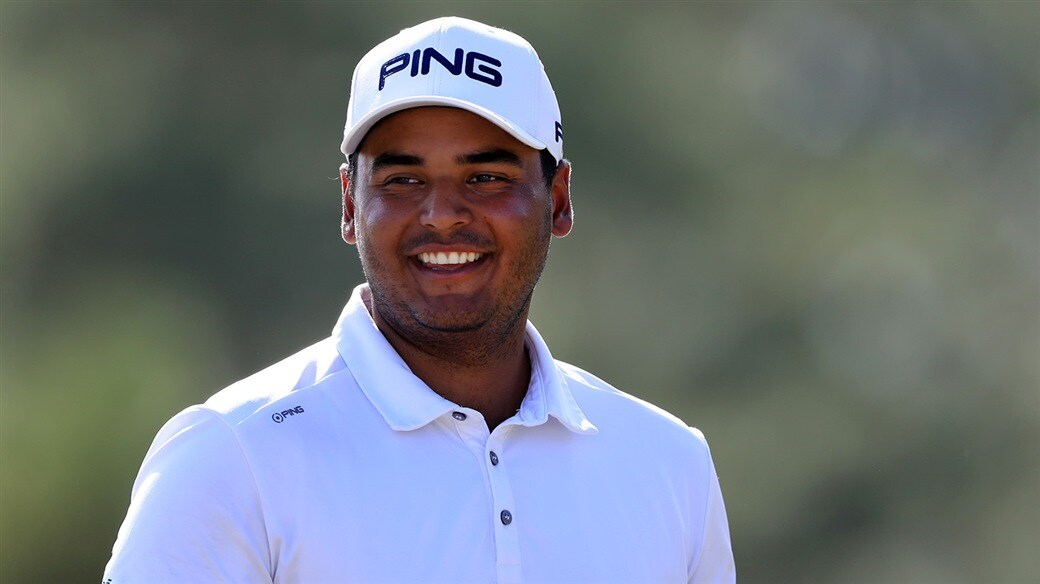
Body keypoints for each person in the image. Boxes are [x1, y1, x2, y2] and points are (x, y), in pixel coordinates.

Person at [104, 16, 735, 583]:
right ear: (351, 205)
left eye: (486, 177)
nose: (441, 215)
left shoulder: (667, 463)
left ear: (560, 198)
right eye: (403, 180)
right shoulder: (232, 457)